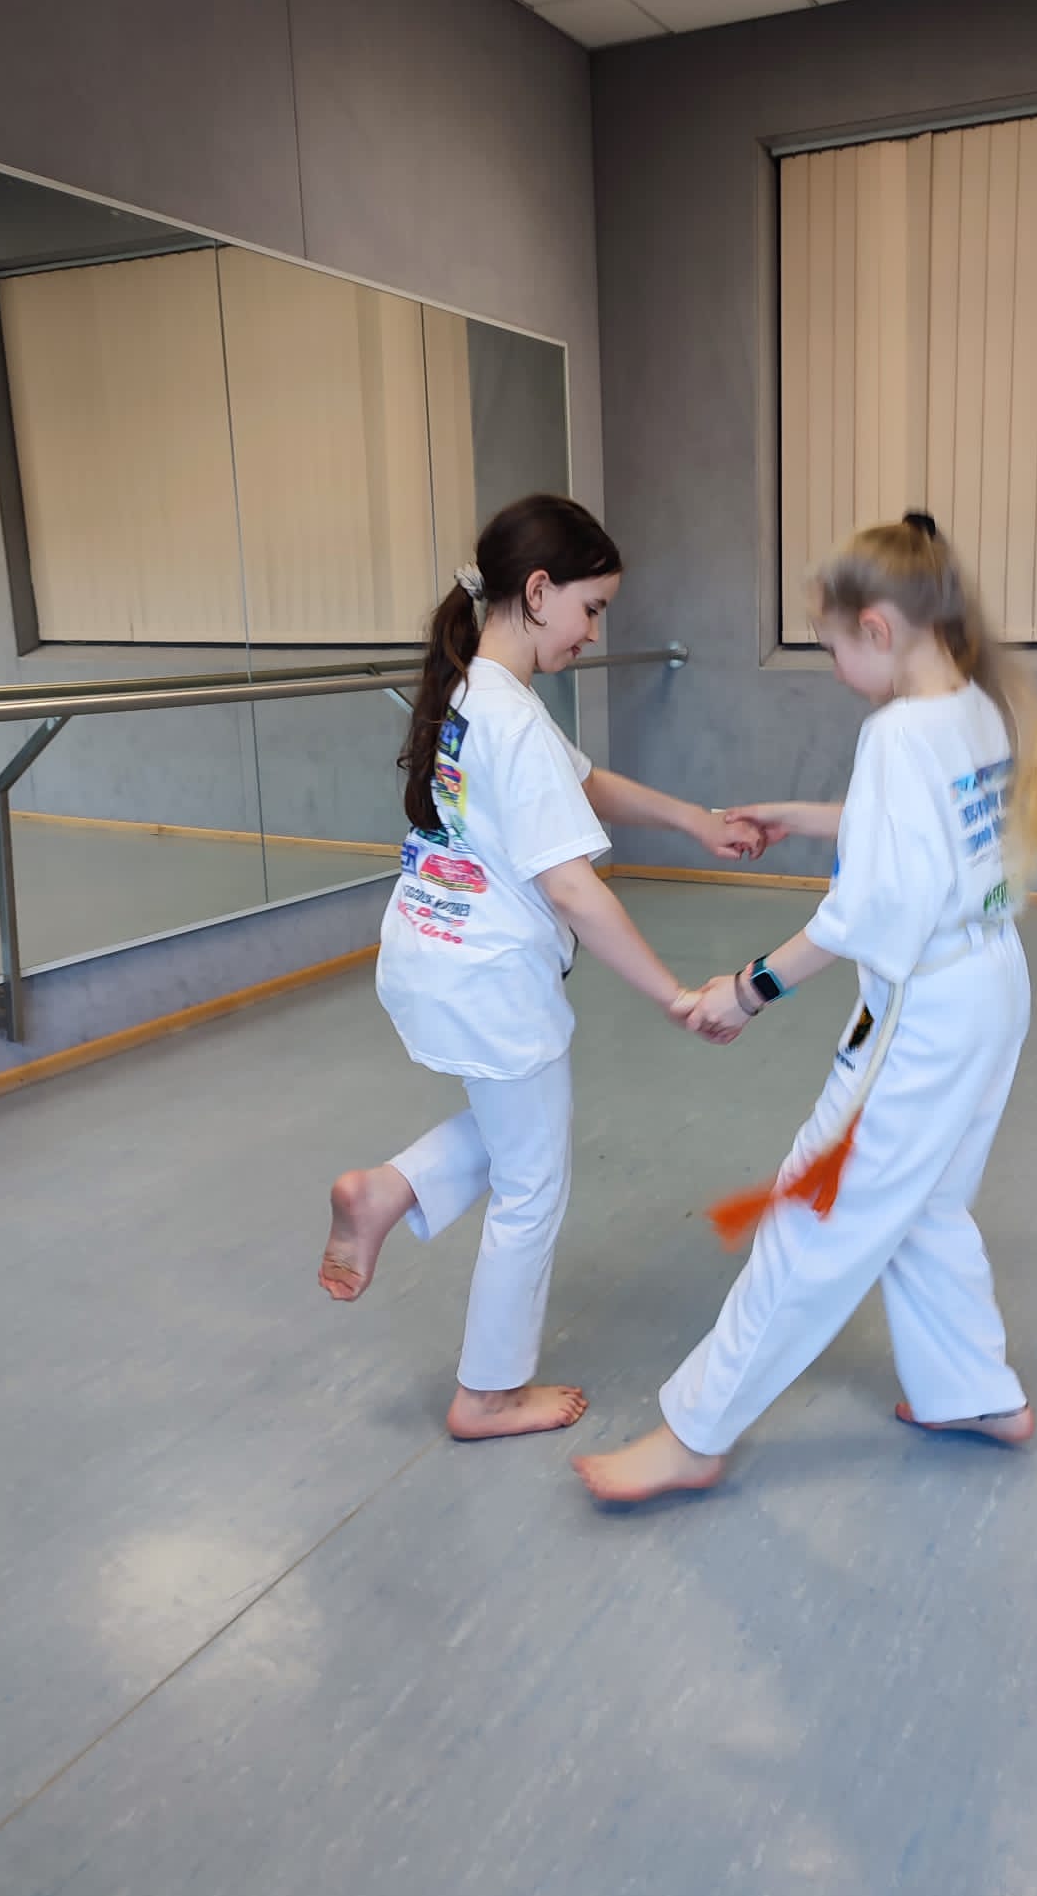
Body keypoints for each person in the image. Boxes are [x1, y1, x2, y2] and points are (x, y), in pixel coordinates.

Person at [572, 510, 1037, 1502]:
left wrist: (748, 989)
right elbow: (923, 832)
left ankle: (697, 1432)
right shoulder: (975, 705)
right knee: (924, 1202)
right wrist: (803, 817)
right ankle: (974, 1392)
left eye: (832, 647)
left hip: (924, 1011)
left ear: (878, 627)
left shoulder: (896, 732)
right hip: (992, 985)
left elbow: (867, 910)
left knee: (813, 1206)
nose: (834, 667)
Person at [317, 493, 762, 1441]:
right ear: (537, 589)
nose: (592, 633)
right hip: (488, 978)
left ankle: (386, 1190)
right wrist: (672, 994)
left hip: (430, 952)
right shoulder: (510, 718)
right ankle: (487, 1393)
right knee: (534, 1181)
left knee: (517, 1129)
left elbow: (582, 782)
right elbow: (572, 890)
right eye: (590, 609)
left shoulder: (476, 692)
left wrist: (692, 819)